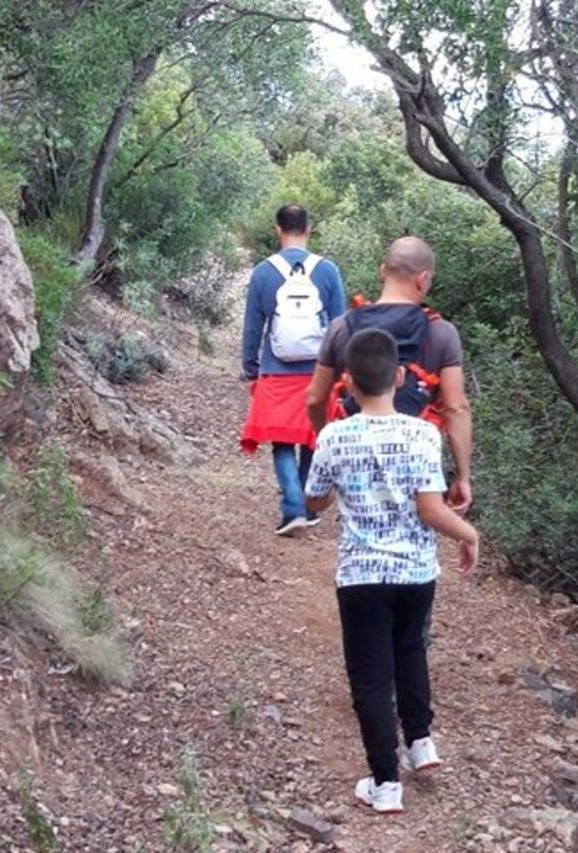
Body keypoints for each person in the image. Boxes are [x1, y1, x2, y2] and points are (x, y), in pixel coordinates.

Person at [305, 327, 480, 813]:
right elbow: (430, 508)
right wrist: (467, 534)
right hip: (416, 572)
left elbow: (314, 500)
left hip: (361, 575)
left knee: (370, 677)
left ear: (347, 382)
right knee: (410, 651)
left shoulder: (334, 436)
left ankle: (385, 784)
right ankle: (421, 743)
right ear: (399, 376)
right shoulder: (424, 433)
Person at [305, 236, 472, 516]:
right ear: (423, 278)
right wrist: (463, 476)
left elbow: (314, 397)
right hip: (416, 468)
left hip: (356, 463)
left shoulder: (341, 327)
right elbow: (456, 407)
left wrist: (329, 441)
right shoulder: (442, 333)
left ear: (383, 270)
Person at [241, 204, 346, 535]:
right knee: (313, 437)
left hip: (276, 370)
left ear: (277, 230)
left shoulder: (263, 272)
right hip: (320, 371)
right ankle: (306, 505)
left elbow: (253, 327)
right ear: (308, 229)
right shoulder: (328, 271)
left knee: (282, 441)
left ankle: (293, 508)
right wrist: (340, 372)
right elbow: (339, 325)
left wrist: (251, 369)